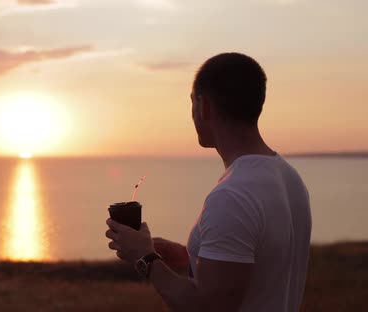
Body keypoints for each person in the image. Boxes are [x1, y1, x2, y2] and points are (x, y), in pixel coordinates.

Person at [105, 52, 312, 312]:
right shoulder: (289, 178)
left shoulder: (233, 195)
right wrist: (189, 255)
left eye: (192, 103)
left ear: (203, 106)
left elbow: (206, 306)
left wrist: (145, 258)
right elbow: (259, 264)